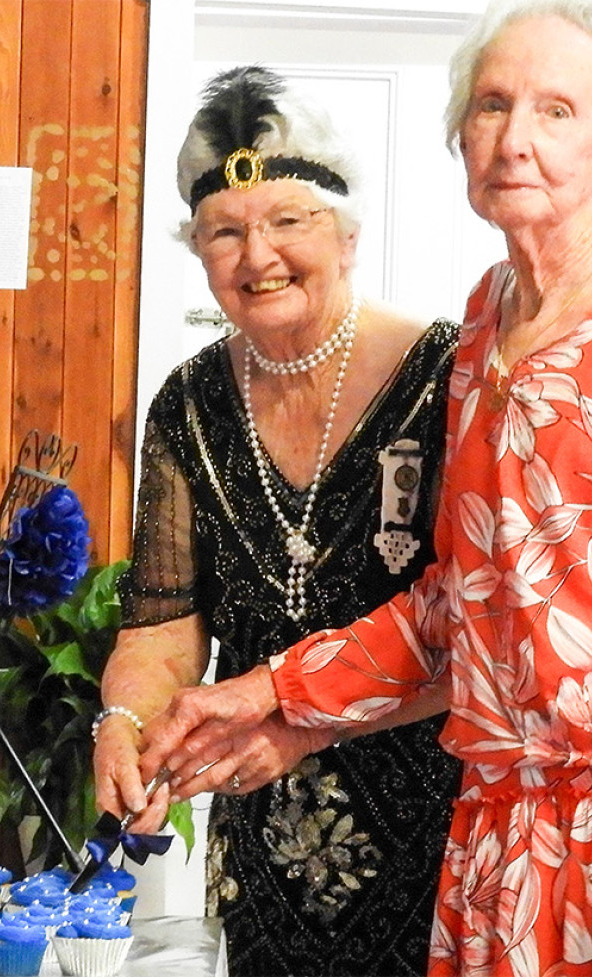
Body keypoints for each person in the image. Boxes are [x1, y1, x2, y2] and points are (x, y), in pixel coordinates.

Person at [135, 3, 592, 975]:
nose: (513, 138)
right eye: (491, 105)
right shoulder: (482, 323)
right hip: (489, 845)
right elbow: (450, 603)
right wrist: (262, 692)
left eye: (556, 111)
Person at [93, 66, 462, 976]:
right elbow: (163, 618)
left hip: (440, 825)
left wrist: (310, 717)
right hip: (267, 841)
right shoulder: (187, 405)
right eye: (225, 231)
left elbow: (481, 628)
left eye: (287, 221)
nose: (257, 256)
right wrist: (122, 724)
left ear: (346, 233)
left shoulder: (448, 379)